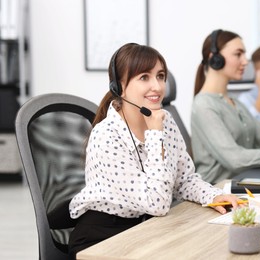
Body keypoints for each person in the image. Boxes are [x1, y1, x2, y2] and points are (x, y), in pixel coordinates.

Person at [68, 43, 240, 258]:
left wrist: (214, 196)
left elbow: (184, 180)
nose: (157, 87)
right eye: (144, 77)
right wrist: (154, 134)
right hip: (101, 239)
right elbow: (156, 203)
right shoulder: (107, 135)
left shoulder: (164, 121)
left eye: (160, 76)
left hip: (144, 228)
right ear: (118, 86)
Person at [191, 29, 260, 184]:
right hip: (216, 192)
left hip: (241, 182)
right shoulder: (203, 105)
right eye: (238, 54)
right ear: (215, 59)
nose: (245, 61)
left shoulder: (235, 103)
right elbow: (236, 159)